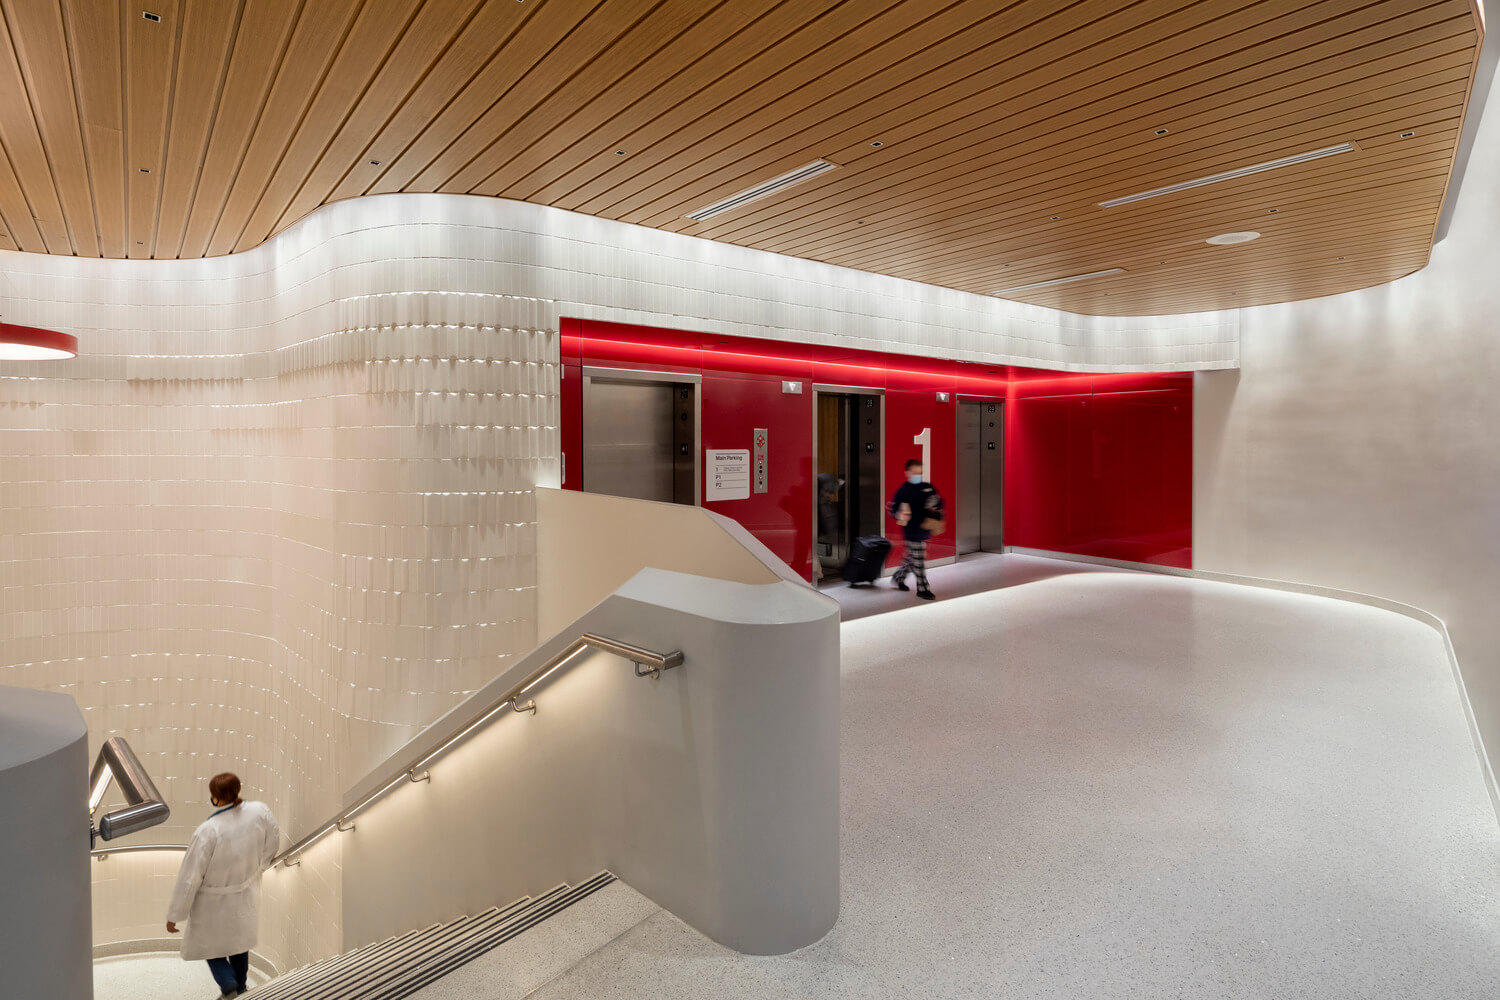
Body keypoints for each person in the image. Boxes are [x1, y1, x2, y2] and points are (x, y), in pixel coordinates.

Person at [166, 773, 281, 999]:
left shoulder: (208, 830)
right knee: (239, 943)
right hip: (245, 891)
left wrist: (175, 915)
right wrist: (260, 867)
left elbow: (190, 878)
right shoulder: (259, 811)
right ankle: (241, 987)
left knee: (211, 947)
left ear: (217, 798)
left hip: (212, 900)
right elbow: (273, 840)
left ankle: (228, 986)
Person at [888, 458, 944, 600]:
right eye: (914, 472)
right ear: (907, 472)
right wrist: (898, 514)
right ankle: (923, 588)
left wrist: (936, 505)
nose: (917, 475)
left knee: (912, 557)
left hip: (925, 528)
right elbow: (893, 509)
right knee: (919, 560)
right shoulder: (903, 491)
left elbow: (939, 501)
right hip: (911, 530)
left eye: (919, 472)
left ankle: (898, 577)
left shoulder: (927, 487)